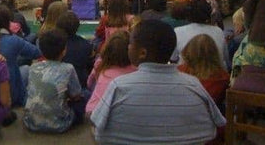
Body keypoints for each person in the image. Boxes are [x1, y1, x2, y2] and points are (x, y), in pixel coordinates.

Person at [91, 20, 225, 144]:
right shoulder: (194, 85)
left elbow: (98, 132)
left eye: (130, 44)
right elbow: (211, 129)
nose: (128, 48)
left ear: (142, 53)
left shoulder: (118, 86)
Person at [23, 29, 85, 133]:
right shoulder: (68, 68)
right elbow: (76, 95)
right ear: (64, 50)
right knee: (85, 95)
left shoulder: (33, 67)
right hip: (60, 125)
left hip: (30, 122)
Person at [0, 5, 41, 107]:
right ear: (8, 21)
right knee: (26, 68)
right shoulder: (12, 40)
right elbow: (36, 53)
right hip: (10, 94)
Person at [171, 0, 230, 70]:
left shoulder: (178, 31)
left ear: (188, 14)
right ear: (209, 14)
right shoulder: (218, 31)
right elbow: (225, 58)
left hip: (186, 75)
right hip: (214, 75)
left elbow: (173, 59)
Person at [86, 32, 136, 115]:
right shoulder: (136, 68)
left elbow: (89, 82)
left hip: (94, 111)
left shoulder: (100, 63)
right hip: (118, 112)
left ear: (107, 49)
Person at [56, 11, 94, 88]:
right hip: (80, 82)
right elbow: (90, 65)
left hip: (57, 81)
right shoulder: (86, 44)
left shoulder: (54, 43)